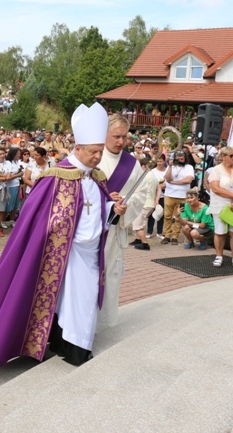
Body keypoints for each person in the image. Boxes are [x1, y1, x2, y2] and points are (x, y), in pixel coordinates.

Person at [0, 102, 126, 367]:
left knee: (80, 299)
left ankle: (66, 342)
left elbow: (96, 211)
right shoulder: (55, 177)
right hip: (62, 252)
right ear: (77, 148)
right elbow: (36, 218)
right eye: (93, 152)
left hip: (90, 252)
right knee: (71, 300)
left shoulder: (97, 176)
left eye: (100, 152)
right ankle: (73, 348)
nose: (97, 157)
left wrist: (111, 207)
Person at [96, 113, 145, 329]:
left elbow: (141, 194)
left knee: (109, 277)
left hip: (115, 229)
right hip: (92, 229)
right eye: (116, 136)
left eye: (124, 137)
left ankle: (103, 322)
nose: (121, 142)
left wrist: (125, 205)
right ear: (104, 133)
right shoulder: (93, 155)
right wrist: (106, 199)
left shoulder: (131, 164)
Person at [207, 146, 233, 269]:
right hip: (220, 204)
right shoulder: (216, 170)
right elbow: (215, 188)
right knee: (220, 232)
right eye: (231, 156)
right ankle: (219, 256)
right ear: (223, 157)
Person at [162, 149, 195, 246]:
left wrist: (174, 182)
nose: (181, 158)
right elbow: (167, 178)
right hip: (169, 194)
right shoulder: (171, 166)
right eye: (178, 157)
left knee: (179, 217)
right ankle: (167, 235)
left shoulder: (189, 167)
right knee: (167, 216)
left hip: (183, 196)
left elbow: (188, 180)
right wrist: (170, 166)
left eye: (182, 157)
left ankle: (175, 236)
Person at [130, 159, 160, 251]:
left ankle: (145, 244)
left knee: (137, 225)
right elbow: (159, 189)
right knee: (141, 223)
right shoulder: (153, 176)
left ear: (143, 166)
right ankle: (138, 240)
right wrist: (156, 200)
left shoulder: (144, 176)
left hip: (144, 203)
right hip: (150, 203)